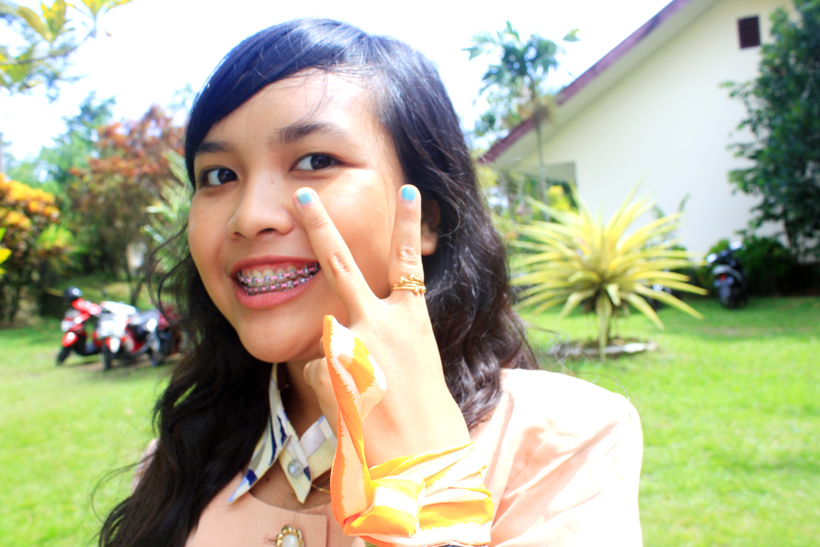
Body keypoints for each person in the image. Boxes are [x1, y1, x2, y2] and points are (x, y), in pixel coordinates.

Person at [99, 19, 643, 547]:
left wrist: (427, 488)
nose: (250, 216)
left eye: (316, 160)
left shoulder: (562, 444)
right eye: (219, 175)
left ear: (427, 217)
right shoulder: (174, 463)